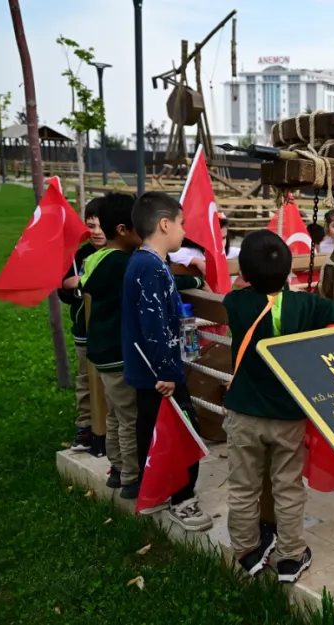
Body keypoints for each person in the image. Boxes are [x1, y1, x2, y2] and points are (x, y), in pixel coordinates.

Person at [223, 230, 334, 583]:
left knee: (243, 486)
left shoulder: (235, 303)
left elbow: (239, 295)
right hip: (287, 417)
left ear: (244, 274)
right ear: (288, 272)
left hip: (243, 414)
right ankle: (289, 556)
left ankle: (245, 550)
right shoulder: (307, 306)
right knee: (287, 486)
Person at [122, 192, 213, 531]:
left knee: (153, 432)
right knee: (182, 434)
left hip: (148, 374)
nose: (183, 231)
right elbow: (155, 327)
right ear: (164, 224)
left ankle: (155, 491)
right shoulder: (150, 267)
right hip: (161, 376)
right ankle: (182, 499)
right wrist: (168, 372)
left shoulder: (146, 263)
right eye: (181, 224)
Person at [80, 194, 145, 497]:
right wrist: (195, 282)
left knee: (115, 413)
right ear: (122, 229)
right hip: (120, 354)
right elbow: (153, 282)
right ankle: (131, 478)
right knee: (129, 416)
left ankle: (117, 468)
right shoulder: (124, 264)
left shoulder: (98, 259)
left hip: (102, 351)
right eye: (139, 226)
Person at [59, 196, 107, 452]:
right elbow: (64, 289)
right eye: (91, 225)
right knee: (85, 379)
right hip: (84, 332)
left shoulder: (120, 253)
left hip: (111, 331)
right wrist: (69, 284)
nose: (96, 231)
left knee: (111, 381)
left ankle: (112, 426)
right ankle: (86, 425)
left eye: (101, 225)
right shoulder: (78, 255)